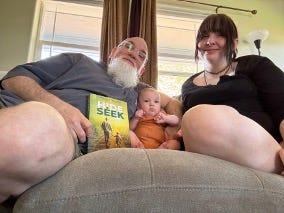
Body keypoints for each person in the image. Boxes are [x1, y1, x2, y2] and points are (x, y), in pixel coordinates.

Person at [0, 37, 182, 203]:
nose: (133, 53)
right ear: (112, 52)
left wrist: (174, 130)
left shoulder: (139, 92)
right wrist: (60, 107)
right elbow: (13, 79)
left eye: (141, 56)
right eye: (127, 46)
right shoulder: (79, 61)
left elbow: (172, 102)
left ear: (142, 70)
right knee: (26, 132)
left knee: (27, 138)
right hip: (20, 110)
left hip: (66, 141)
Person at [180, 13, 284, 175]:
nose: (209, 41)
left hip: (265, 153)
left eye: (220, 35)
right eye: (204, 36)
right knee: (194, 119)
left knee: (197, 118)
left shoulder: (255, 65)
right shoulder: (187, 86)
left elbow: (281, 107)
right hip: (208, 158)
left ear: (234, 43)